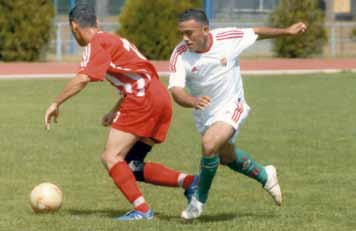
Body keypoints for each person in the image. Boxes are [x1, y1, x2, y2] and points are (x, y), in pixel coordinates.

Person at [44, 4, 199, 221]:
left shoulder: (96, 43)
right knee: (131, 166)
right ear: (97, 22)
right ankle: (191, 182)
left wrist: (55, 102)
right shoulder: (115, 40)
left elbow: (84, 77)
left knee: (111, 156)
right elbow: (136, 76)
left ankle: (143, 211)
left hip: (142, 99)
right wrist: (113, 110)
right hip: (158, 96)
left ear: (74, 26)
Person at [168, 8, 307, 219]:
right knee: (225, 155)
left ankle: (198, 199)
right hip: (205, 113)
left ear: (205, 30)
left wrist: (287, 31)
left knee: (209, 144)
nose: (184, 38)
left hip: (233, 105)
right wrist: (192, 100)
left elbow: (257, 32)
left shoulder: (227, 38)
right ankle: (264, 174)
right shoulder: (179, 54)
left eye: (189, 33)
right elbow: (176, 91)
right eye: (182, 33)